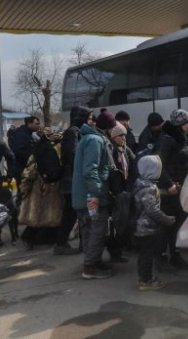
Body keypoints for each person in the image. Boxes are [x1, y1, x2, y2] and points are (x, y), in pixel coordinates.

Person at [73, 108, 117, 279]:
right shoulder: (95, 141)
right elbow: (91, 170)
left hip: (84, 194)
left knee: (89, 230)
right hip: (91, 195)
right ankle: (90, 267)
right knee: (98, 231)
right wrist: (96, 194)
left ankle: (93, 261)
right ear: (108, 127)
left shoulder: (87, 138)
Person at [154, 109, 188, 270]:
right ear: (179, 124)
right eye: (187, 123)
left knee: (177, 222)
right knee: (167, 223)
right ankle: (161, 258)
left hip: (180, 188)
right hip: (169, 189)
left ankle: (175, 254)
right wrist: (169, 184)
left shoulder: (180, 138)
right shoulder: (168, 140)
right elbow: (158, 164)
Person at [133, 154, 176, 291]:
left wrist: (166, 193)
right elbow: (152, 210)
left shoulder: (142, 182)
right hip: (147, 228)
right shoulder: (149, 188)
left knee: (144, 254)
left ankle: (144, 278)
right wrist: (167, 220)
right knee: (147, 255)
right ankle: (146, 281)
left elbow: (152, 195)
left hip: (141, 227)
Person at [19, 128, 64, 249]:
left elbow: (29, 168)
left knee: (39, 213)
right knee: (46, 213)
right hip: (51, 184)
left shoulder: (39, 147)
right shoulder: (58, 147)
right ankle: (31, 237)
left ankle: (33, 238)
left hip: (40, 184)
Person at [55, 106, 91, 255]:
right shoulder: (72, 132)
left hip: (74, 179)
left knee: (76, 213)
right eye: (88, 118)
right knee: (72, 213)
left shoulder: (77, 131)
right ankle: (61, 244)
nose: (90, 121)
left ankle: (78, 243)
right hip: (72, 181)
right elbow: (73, 154)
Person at [107, 121, 136, 263]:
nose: (123, 138)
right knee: (115, 224)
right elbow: (111, 174)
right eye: (120, 135)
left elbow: (134, 166)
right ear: (113, 137)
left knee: (124, 222)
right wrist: (116, 192)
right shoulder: (110, 151)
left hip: (126, 192)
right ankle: (114, 253)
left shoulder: (126, 150)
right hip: (115, 193)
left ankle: (120, 249)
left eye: (124, 135)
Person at [11, 116, 40, 183]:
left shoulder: (30, 134)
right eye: (36, 124)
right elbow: (18, 150)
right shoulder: (21, 134)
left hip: (26, 168)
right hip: (21, 169)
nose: (38, 126)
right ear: (29, 124)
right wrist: (32, 157)